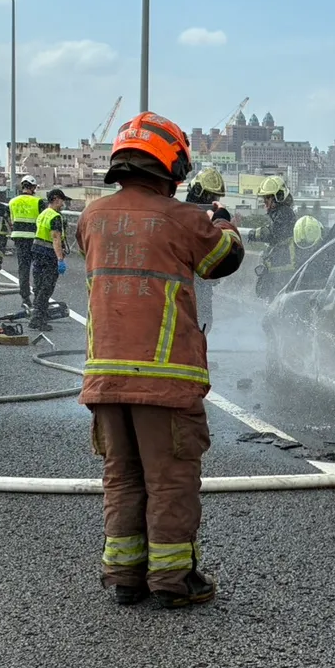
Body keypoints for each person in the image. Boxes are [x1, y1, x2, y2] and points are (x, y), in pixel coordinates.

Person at [79, 111, 244, 609]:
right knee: (169, 479)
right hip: (165, 379)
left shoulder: (90, 216)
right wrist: (220, 221)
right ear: (170, 166)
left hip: (104, 376)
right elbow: (224, 260)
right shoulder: (184, 220)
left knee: (122, 476)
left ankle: (124, 575)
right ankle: (173, 580)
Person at [184, 168, 229, 332]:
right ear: (198, 192)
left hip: (202, 284)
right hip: (184, 283)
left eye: (216, 198)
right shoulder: (183, 216)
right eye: (210, 197)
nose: (214, 201)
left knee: (204, 322)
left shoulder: (208, 219)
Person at [247, 175, 298, 299]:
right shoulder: (280, 213)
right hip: (279, 264)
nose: (265, 201)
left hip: (284, 265)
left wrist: (255, 234)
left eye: (268, 197)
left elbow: (274, 233)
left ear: (278, 197)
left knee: (277, 298)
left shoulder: (284, 213)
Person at [29, 188, 69, 331]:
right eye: (62, 200)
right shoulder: (55, 217)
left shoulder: (43, 214)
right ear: (56, 199)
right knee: (46, 287)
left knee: (39, 286)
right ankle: (37, 318)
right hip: (48, 255)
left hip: (37, 251)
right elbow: (56, 238)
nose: (63, 204)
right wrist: (60, 259)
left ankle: (38, 314)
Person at [8, 175, 41, 308]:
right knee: (38, 268)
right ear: (33, 187)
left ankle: (25, 297)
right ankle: (38, 295)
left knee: (23, 268)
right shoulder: (38, 202)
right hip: (34, 238)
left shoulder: (12, 202)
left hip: (19, 238)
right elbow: (42, 220)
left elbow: (11, 220)